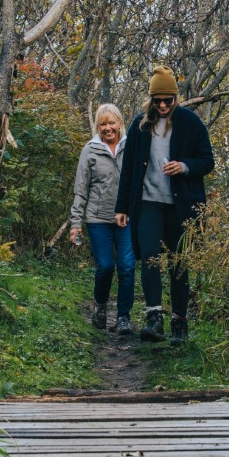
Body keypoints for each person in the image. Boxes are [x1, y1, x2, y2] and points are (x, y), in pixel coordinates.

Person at [114, 66, 214, 346]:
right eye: (157, 100)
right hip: (148, 204)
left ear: (175, 98)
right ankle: (153, 318)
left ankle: (179, 324)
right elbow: (130, 170)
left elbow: (207, 161)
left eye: (167, 100)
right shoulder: (140, 126)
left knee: (179, 264)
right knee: (150, 258)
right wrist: (121, 207)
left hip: (182, 207)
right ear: (150, 99)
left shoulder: (191, 123)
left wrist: (183, 166)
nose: (162, 105)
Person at [70, 103, 135, 334]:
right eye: (103, 124)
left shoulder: (132, 146)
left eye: (111, 123)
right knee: (106, 266)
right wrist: (75, 224)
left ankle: (124, 317)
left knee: (127, 267)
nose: (108, 128)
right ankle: (100, 306)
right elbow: (81, 189)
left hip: (126, 219)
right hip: (97, 219)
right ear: (98, 127)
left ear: (120, 123)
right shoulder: (90, 150)